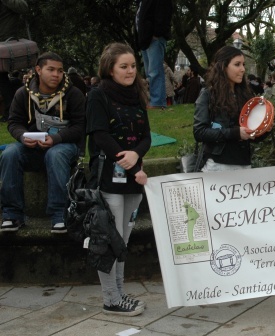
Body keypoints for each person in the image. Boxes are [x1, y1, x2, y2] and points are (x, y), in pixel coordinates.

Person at [86, 42, 151, 316]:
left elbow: (147, 135)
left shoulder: (136, 94)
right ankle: (111, 299)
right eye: (123, 66)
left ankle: (120, 292)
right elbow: (99, 134)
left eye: (133, 66)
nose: (130, 71)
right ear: (110, 69)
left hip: (134, 177)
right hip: (109, 178)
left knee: (123, 240)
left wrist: (136, 156)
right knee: (109, 241)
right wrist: (126, 160)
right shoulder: (98, 95)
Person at [0, 52, 86, 233]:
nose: (56, 74)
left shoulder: (74, 94)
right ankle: (12, 215)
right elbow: (14, 122)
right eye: (51, 69)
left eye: (60, 71)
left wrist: (57, 138)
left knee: (56, 154)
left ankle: (59, 215)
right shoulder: (23, 93)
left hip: (64, 146)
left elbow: (80, 126)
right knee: (9, 153)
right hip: (32, 147)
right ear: (38, 70)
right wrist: (23, 136)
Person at [193, 46, 268, 172]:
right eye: (237, 64)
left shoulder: (246, 95)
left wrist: (265, 128)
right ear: (223, 66)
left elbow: (252, 136)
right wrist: (234, 133)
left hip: (243, 164)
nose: (243, 69)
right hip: (217, 166)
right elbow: (199, 132)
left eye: (243, 64)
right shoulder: (208, 94)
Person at [135, 0, 173, 109]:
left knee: (154, 71)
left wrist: (157, 34)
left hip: (153, 38)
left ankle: (157, 103)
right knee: (150, 72)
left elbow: (165, 13)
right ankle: (154, 101)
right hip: (145, 39)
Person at [0, 0, 29, 122]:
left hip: (5, 43)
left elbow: (24, 7)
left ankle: (10, 111)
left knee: (2, 79)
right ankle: (11, 111)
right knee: (3, 80)